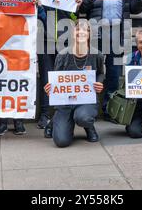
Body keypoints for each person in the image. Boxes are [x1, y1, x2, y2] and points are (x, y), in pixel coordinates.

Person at [79, 0, 142, 121]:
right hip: (95, 33)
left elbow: (136, 9)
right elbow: (81, 9)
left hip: (118, 33)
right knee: (92, 71)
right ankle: (89, 108)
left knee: (114, 73)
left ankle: (110, 109)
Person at [37, 0, 83, 136]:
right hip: (45, 41)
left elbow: (74, 18)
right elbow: (38, 15)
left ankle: (61, 114)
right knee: (47, 78)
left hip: (65, 42)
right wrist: (38, 1)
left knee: (63, 78)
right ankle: (44, 115)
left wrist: (77, 6)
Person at [44, 20, 105, 148]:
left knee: (83, 117)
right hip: (66, 102)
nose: (81, 32)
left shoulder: (97, 55)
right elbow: (56, 79)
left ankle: (89, 127)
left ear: (89, 34)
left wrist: (99, 83)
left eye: (85, 30)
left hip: (86, 100)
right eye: (78, 29)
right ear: (72, 33)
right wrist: (50, 87)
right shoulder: (62, 55)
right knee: (61, 142)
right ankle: (57, 121)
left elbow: (100, 73)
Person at [0, 0, 29, 136]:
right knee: (1, 87)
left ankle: (18, 121)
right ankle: (2, 122)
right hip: (1, 49)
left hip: (20, 48)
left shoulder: (29, 0)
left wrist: (39, 7)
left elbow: (40, 18)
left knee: (18, 85)